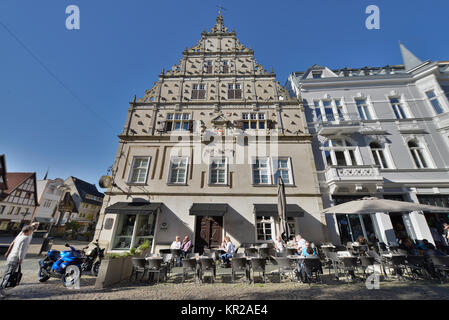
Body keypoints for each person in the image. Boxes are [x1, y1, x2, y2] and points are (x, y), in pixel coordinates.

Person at [1, 225, 34, 298]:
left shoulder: (19, 237)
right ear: (28, 231)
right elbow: (21, 250)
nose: (32, 232)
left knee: (6, 274)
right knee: (9, 275)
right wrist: (21, 259)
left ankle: (2, 291)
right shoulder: (25, 238)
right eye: (32, 230)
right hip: (15, 259)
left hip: (10, 257)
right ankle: (1, 290)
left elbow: (13, 244)